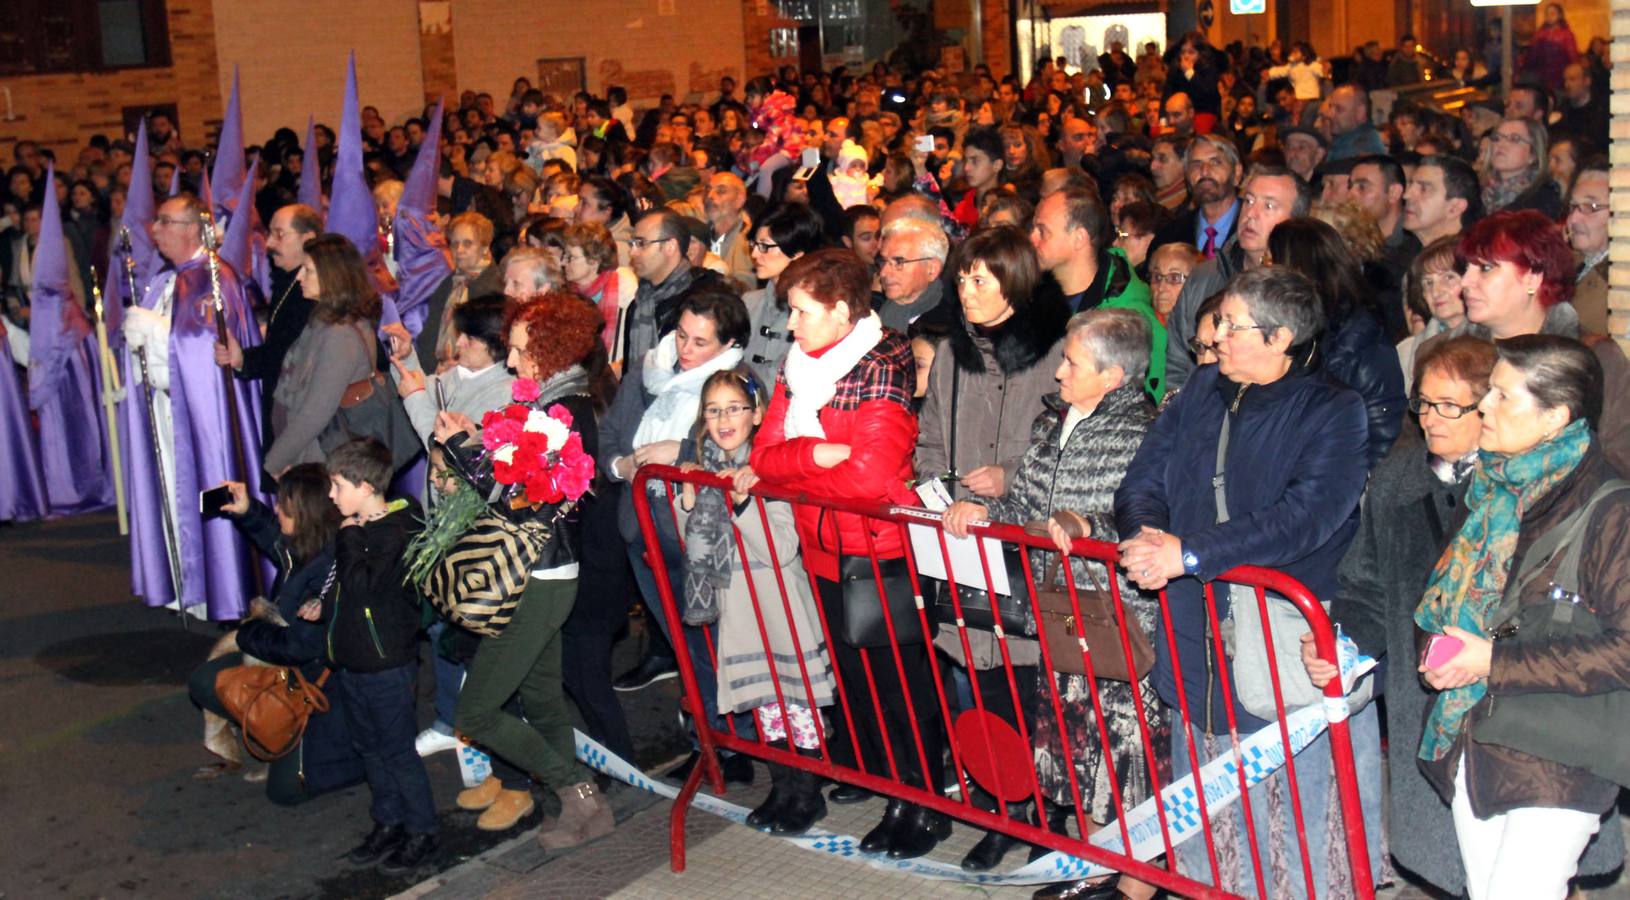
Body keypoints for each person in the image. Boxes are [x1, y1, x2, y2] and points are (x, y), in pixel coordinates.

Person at [1115, 266, 1381, 897]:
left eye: (1232, 326)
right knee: (1204, 798)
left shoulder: (1334, 410)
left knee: (1290, 806)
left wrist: (1191, 553)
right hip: (1193, 624)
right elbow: (1142, 479)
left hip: (1276, 637)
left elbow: (1304, 519)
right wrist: (1150, 536)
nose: (1217, 336)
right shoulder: (1201, 390)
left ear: (1280, 337)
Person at [943, 308, 1167, 899]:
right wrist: (985, 513)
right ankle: (1092, 868)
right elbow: (1024, 507)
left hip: (1121, 617)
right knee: (1075, 745)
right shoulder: (1055, 423)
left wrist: (1083, 520)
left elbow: (1145, 511)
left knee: (1127, 754)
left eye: (1072, 362)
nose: (1060, 372)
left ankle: (1137, 887)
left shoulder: (1143, 432)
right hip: (1060, 609)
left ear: (1113, 376)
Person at [748, 249, 948, 860]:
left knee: (899, 688)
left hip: (877, 554)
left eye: (802, 312)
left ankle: (923, 803)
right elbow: (762, 457)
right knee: (857, 685)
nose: (790, 325)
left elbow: (871, 476)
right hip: (823, 549)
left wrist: (798, 462)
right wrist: (815, 457)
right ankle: (890, 788)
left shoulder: (881, 360)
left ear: (840, 312)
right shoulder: (799, 364)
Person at [1415, 335, 1627, 899]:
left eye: (1502, 397)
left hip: (1560, 751)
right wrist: (1439, 654)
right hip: (1474, 735)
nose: (1483, 407)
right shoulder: (1492, 487)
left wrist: (1492, 660)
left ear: (1555, 416)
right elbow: (1450, 596)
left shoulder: (1612, 510)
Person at [437, 294, 616, 850]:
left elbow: (528, 499)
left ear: (547, 349)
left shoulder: (564, 414)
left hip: (537, 579)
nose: (510, 363)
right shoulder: (556, 405)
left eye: (517, 351)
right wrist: (474, 442)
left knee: (477, 711)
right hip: (544, 575)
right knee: (540, 701)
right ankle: (582, 811)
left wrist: (463, 452)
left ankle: (577, 789)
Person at [674, 368, 836, 835]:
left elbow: (782, 547)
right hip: (739, 607)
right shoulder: (707, 468)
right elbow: (697, 548)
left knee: (797, 704)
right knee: (767, 706)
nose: (724, 418)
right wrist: (689, 496)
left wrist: (744, 502)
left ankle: (807, 793)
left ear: (757, 412)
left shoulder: (770, 465)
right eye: (713, 409)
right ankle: (782, 785)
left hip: (778, 603)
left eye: (734, 408)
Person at [602, 288, 755, 779]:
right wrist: (622, 465)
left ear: (728, 343)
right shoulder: (649, 375)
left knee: (715, 646)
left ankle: (737, 746)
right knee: (684, 648)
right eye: (682, 337)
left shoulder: (737, 383)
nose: (686, 350)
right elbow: (609, 439)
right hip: (642, 531)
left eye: (701, 342)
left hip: (697, 537)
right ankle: (706, 741)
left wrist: (683, 445)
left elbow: (743, 443)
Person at [120, 193, 265, 621]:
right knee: (178, 492)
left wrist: (153, 328)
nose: (155, 230)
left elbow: (204, 347)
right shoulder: (169, 279)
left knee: (209, 491)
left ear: (189, 228)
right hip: (169, 409)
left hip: (206, 419)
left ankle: (224, 585)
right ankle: (190, 583)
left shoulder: (215, 278)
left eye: (165, 221)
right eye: (156, 221)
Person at [187, 465, 364, 802]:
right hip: (296, 670)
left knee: (284, 793)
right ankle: (273, 729)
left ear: (305, 514)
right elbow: (279, 545)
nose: (277, 510)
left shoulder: (329, 570)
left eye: (283, 506)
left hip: (319, 690)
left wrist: (247, 633)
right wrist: (248, 511)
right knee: (205, 681)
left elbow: (298, 648)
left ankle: (345, 761)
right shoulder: (316, 544)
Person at [319, 438, 435, 874]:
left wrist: (349, 538)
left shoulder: (395, 530)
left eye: (337, 486)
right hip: (354, 661)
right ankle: (388, 821)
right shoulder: (362, 526)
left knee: (397, 751)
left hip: (387, 664)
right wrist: (324, 602)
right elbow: (346, 588)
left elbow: (365, 585)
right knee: (369, 748)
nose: (332, 496)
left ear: (365, 487)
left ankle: (422, 829)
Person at [1451, 210, 1630, 474]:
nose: (1465, 282)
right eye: (1466, 268)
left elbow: (1618, 460)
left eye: (1486, 269)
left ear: (1533, 277)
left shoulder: (1594, 359)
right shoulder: (1443, 356)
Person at [1267, 218, 1407, 468]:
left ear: (1295, 272)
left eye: (1269, 264)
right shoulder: (1285, 335)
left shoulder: (1364, 345)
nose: (1261, 276)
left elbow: (1382, 446)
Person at [1163, 164, 1310, 392]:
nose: (1251, 214)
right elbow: (1176, 363)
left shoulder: (1305, 290)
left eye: (1268, 206)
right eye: (1249, 201)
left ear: (1297, 221)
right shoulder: (1205, 277)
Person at [257, 234, 382, 476]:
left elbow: (315, 412)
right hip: (308, 458)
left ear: (332, 276)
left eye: (308, 270)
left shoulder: (340, 335)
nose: (299, 277)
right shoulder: (324, 320)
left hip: (319, 465)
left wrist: (273, 463)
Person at [1030, 187, 1167, 398]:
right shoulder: (1030, 298)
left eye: (1042, 231)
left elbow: (1143, 409)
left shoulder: (1131, 321)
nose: (1032, 239)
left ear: (1079, 238)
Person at [217, 204, 321, 443]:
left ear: (308, 239)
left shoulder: (317, 293)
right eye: (270, 233)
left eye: (279, 234)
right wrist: (243, 359)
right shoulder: (285, 284)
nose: (269, 244)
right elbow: (278, 351)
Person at [741, 203, 826, 388]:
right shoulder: (749, 302)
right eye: (754, 244)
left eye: (765, 246)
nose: (755, 254)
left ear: (796, 253)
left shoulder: (818, 313)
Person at [416, 211, 500, 371]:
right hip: (437, 371)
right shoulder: (450, 282)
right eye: (454, 244)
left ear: (484, 247)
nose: (459, 250)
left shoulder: (493, 291)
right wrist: (432, 369)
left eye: (467, 243)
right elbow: (428, 336)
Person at [1397, 236, 1469, 391]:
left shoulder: (1494, 340)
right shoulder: (1406, 352)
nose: (1436, 292)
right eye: (1428, 283)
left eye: (1449, 277)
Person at [560, 221, 636, 364]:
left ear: (594, 261)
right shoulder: (566, 293)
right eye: (565, 256)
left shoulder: (624, 287)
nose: (563, 263)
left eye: (571, 257)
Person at [875, 215, 951, 333]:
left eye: (899, 262)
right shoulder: (880, 315)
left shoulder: (947, 326)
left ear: (932, 269)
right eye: (883, 261)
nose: (883, 272)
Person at [1482, 118, 1563, 219]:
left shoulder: (1543, 199)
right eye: (1497, 138)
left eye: (1514, 139)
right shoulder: (1477, 191)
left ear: (1533, 154)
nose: (1500, 145)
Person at [1564, 158, 1608, 336]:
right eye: (1573, 206)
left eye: (1591, 207)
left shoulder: (1619, 281)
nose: (1574, 219)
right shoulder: (1567, 263)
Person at [1404, 155, 1483, 249]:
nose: (1406, 195)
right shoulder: (1396, 257)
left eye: (1424, 189)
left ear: (1455, 208)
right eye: (1410, 185)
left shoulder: (1476, 259)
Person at [1521, 1, 1580, 91]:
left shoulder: (1567, 35)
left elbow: (1572, 56)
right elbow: (1532, 55)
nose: (1549, 16)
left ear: (1559, 15)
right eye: (1547, 14)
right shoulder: (1539, 34)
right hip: (1541, 77)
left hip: (1560, 77)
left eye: (1552, 13)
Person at [1325, 84, 1386, 160]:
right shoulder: (1343, 143)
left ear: (1360, 112)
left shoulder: (1363, 150)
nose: (1329, 114)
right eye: (1330, 107)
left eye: (1339, 109)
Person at [1147, 242, 1201, 325]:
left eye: (1174, 278)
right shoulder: (1142, 326)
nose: (1161, 288)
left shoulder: (1202, 331)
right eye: (1157, 277)